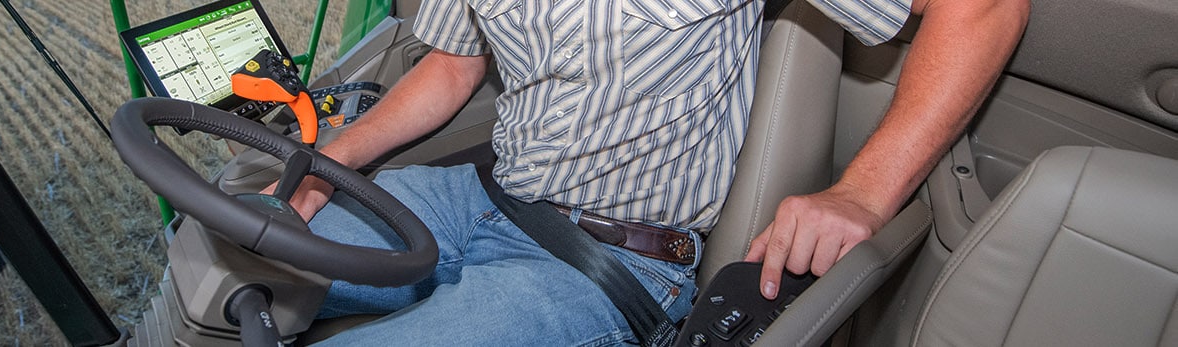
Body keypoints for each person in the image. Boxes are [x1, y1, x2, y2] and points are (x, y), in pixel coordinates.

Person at [265, 0, 1029, 344]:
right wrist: (328, 161)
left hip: (608, 258)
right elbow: (453, 64)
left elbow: (985, 6)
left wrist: (862, 191)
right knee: (243, 243)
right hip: (477, 195)